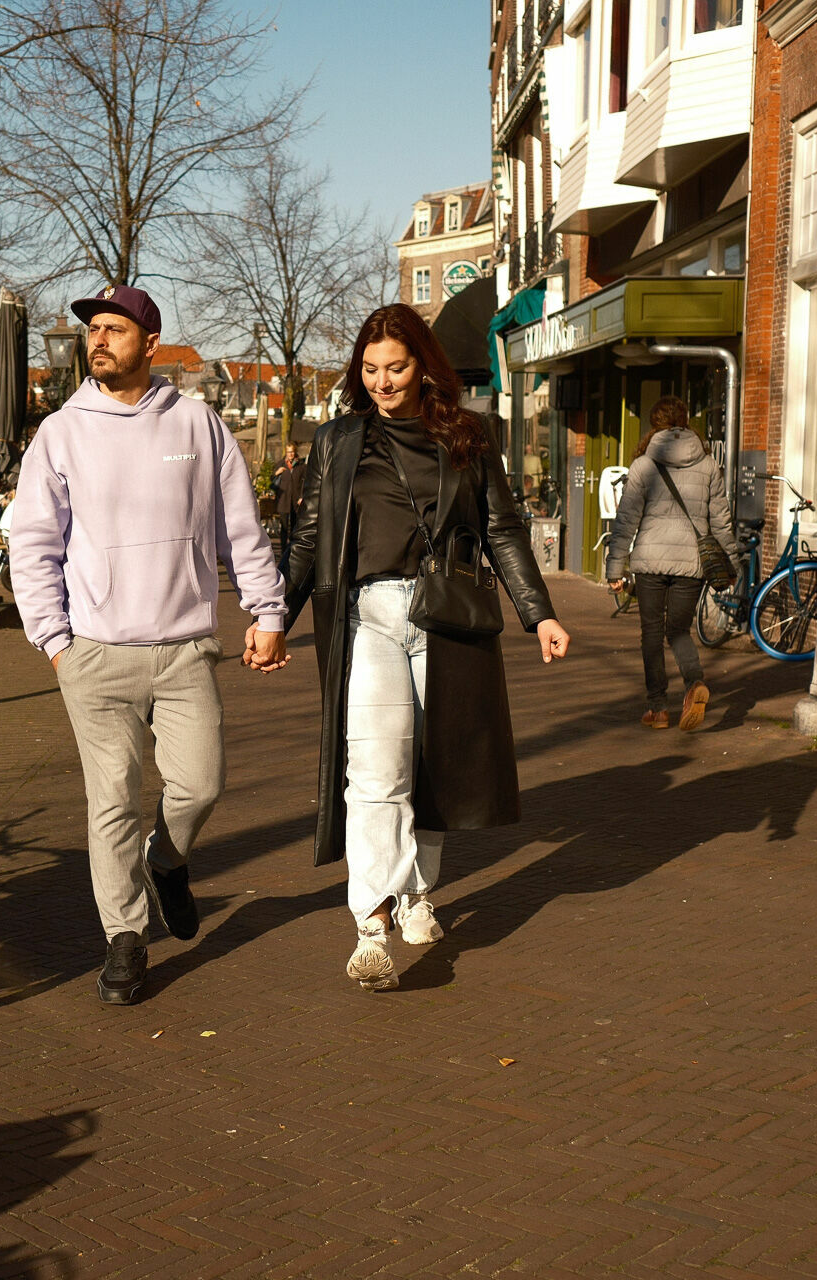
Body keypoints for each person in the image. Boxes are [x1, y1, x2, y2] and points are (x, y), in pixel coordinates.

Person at [12, 284, 289, 1007]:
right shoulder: (60, 433)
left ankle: (166, 860)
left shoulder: (198, 424)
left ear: (150, 344)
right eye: (92, 329)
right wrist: (56, 642)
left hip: (186, 647)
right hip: (95, 653)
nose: (98, 339)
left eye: (115, 329)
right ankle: (126, 938)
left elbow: (241, 531)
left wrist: (268, 610)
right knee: (110, 804)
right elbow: (33, 542)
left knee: (202, 783)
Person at [284, 303, 570, 993]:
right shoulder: (339, 440)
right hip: (369, 616)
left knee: (437, 766)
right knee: (376, 771)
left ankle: (416, 891)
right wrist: (272, 616)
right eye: (371, 369)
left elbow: (502, 528)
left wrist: (540, 615)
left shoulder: (468, 437)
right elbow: (307, 538)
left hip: (448, 616)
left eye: (397, 368)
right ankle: (371, 925)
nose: (382, 382)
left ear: (424, 367)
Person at [603, 395, 737, 731]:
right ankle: (694, 683)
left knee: (651, 632)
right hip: (691, 562)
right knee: (678, 630)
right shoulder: (708, 465)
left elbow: (626, 520)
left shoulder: (643, 465)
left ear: (654, 425)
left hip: (649, 561)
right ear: (686, 421)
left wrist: (615, 567)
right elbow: (721, 520)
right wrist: (731, 564)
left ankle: (658, 709)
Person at [273, 443, 306, 560]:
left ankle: (292, 551)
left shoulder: (301, 465)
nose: (290, 454)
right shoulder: (280, 464)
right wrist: (276, 473)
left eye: (292, 452)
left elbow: (305, 482)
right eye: (288, 452)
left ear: (295, 452)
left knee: (294, 527)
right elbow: (271, 481)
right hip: (283, 500)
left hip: (295, 501)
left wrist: (302, 496)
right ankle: (283, 551)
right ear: (285, 453)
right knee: (283, 528)